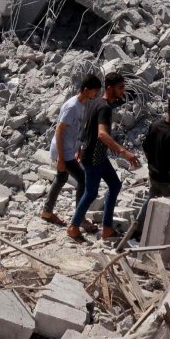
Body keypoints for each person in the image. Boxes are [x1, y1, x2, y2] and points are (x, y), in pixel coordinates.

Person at [69, 71, 140, 242]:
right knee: (91, 193)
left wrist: (79, 147)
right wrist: (123, 151)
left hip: (95, 154)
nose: (123, 91)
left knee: (115, 185)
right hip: (94, 157)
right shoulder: (104, 108)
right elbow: (101, 134)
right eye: (120, 88)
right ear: (109, 88)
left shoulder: (94, 102)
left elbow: (85, 126)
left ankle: (107, 228)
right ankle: (73, 227)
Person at [41, 75, 98, 226]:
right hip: (62, 151)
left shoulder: (82, 104)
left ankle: (47, 211)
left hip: (68, 149)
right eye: (94, 91)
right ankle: (80, 218)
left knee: (61, 178)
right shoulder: (72, 106)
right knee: (83, 180)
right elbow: (59, 130)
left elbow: (77, 128)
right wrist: (61, 158)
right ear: (86, 90)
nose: (96, 94)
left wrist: (78, 148)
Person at [143, 94, 170, 199]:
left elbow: (146, 148)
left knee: (150, 202)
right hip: (165, 181)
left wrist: (154, 164)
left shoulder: (155, 125)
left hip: (153, 175)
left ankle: (141, 216)